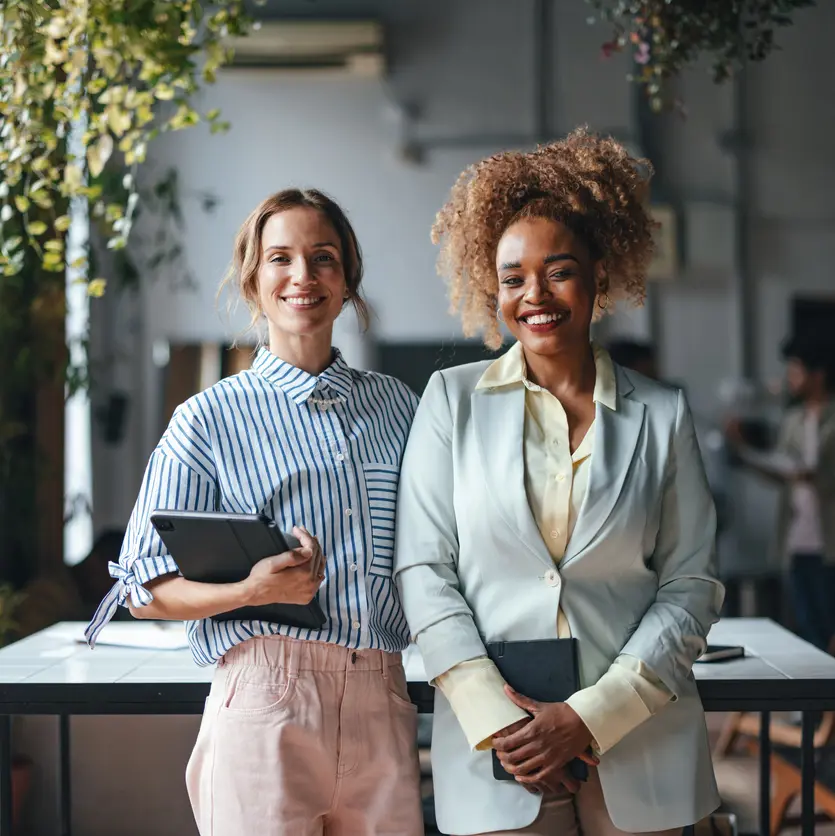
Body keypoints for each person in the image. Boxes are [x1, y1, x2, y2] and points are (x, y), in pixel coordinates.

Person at [394, 130, 724, 836]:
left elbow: (690, 583)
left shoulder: (662, 415)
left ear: (599, 275)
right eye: (512, 277)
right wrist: (500, 718)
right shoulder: (447, 402)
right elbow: (423, 571)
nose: (534, 294)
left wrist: (588, 716)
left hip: (643, 745)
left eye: (559, 270)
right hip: (500, 753)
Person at [85, 189, 424, 836]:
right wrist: (250, 590)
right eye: (280, 258)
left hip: (382, 694)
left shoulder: (398, 408)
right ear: (253, 280)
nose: (303, 276)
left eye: (322, 257)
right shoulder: (207, 419)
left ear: (348, 279)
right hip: (266, 699)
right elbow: (140, 589)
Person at [726, 334, 835, 650]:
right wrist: (744, 451)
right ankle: (818, 697)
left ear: (818, 374)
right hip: (796, 540)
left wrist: (802, 472)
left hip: (829, 542)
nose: (790, 378)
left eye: (796, 370)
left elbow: (814, 474)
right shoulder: (793, 420)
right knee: (807, 625)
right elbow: (783, 472)